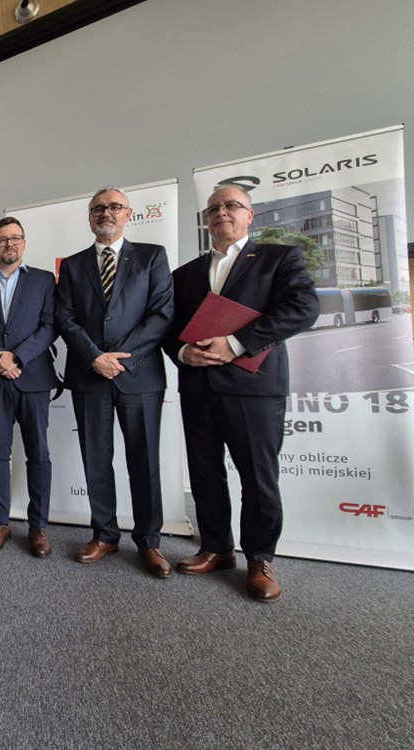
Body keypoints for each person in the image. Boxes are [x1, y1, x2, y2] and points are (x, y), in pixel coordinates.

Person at [164, 185, 318, 602]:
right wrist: (182, 353)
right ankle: (217, 548)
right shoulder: (185, 274)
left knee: (258, 477)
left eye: (232, 205)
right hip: (198, 387)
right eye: (214, 208)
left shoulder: (277, 258)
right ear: (206, 220)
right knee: (205, 473)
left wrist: (236, 343)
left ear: (250, 215)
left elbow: (303, 308)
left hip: (253, 388)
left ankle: (260, 559)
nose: (222, 212)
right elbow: (169, 329)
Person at [54, 187, 175, 578]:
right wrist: (95, 357)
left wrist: (121, 358)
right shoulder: (72, 265)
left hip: (139, 376)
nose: (106, 213)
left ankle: (149, 542)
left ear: (128, 214)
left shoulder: (152, 256)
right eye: (98, 208)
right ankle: (104, 534)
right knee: (96, 460)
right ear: (90, 217)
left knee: (145, 461)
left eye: (114, 207)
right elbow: (65, 317)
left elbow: (161, 314)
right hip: (89, 375)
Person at [0, 217, 58, 557]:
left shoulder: (44, 280)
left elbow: (50, 327)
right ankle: (0, 522)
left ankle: (39, 525)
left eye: (15, 238)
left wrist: (17, 357)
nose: (9, 244)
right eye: (2, 239)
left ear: (24, 243)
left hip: (32, 377)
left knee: (39, 453)